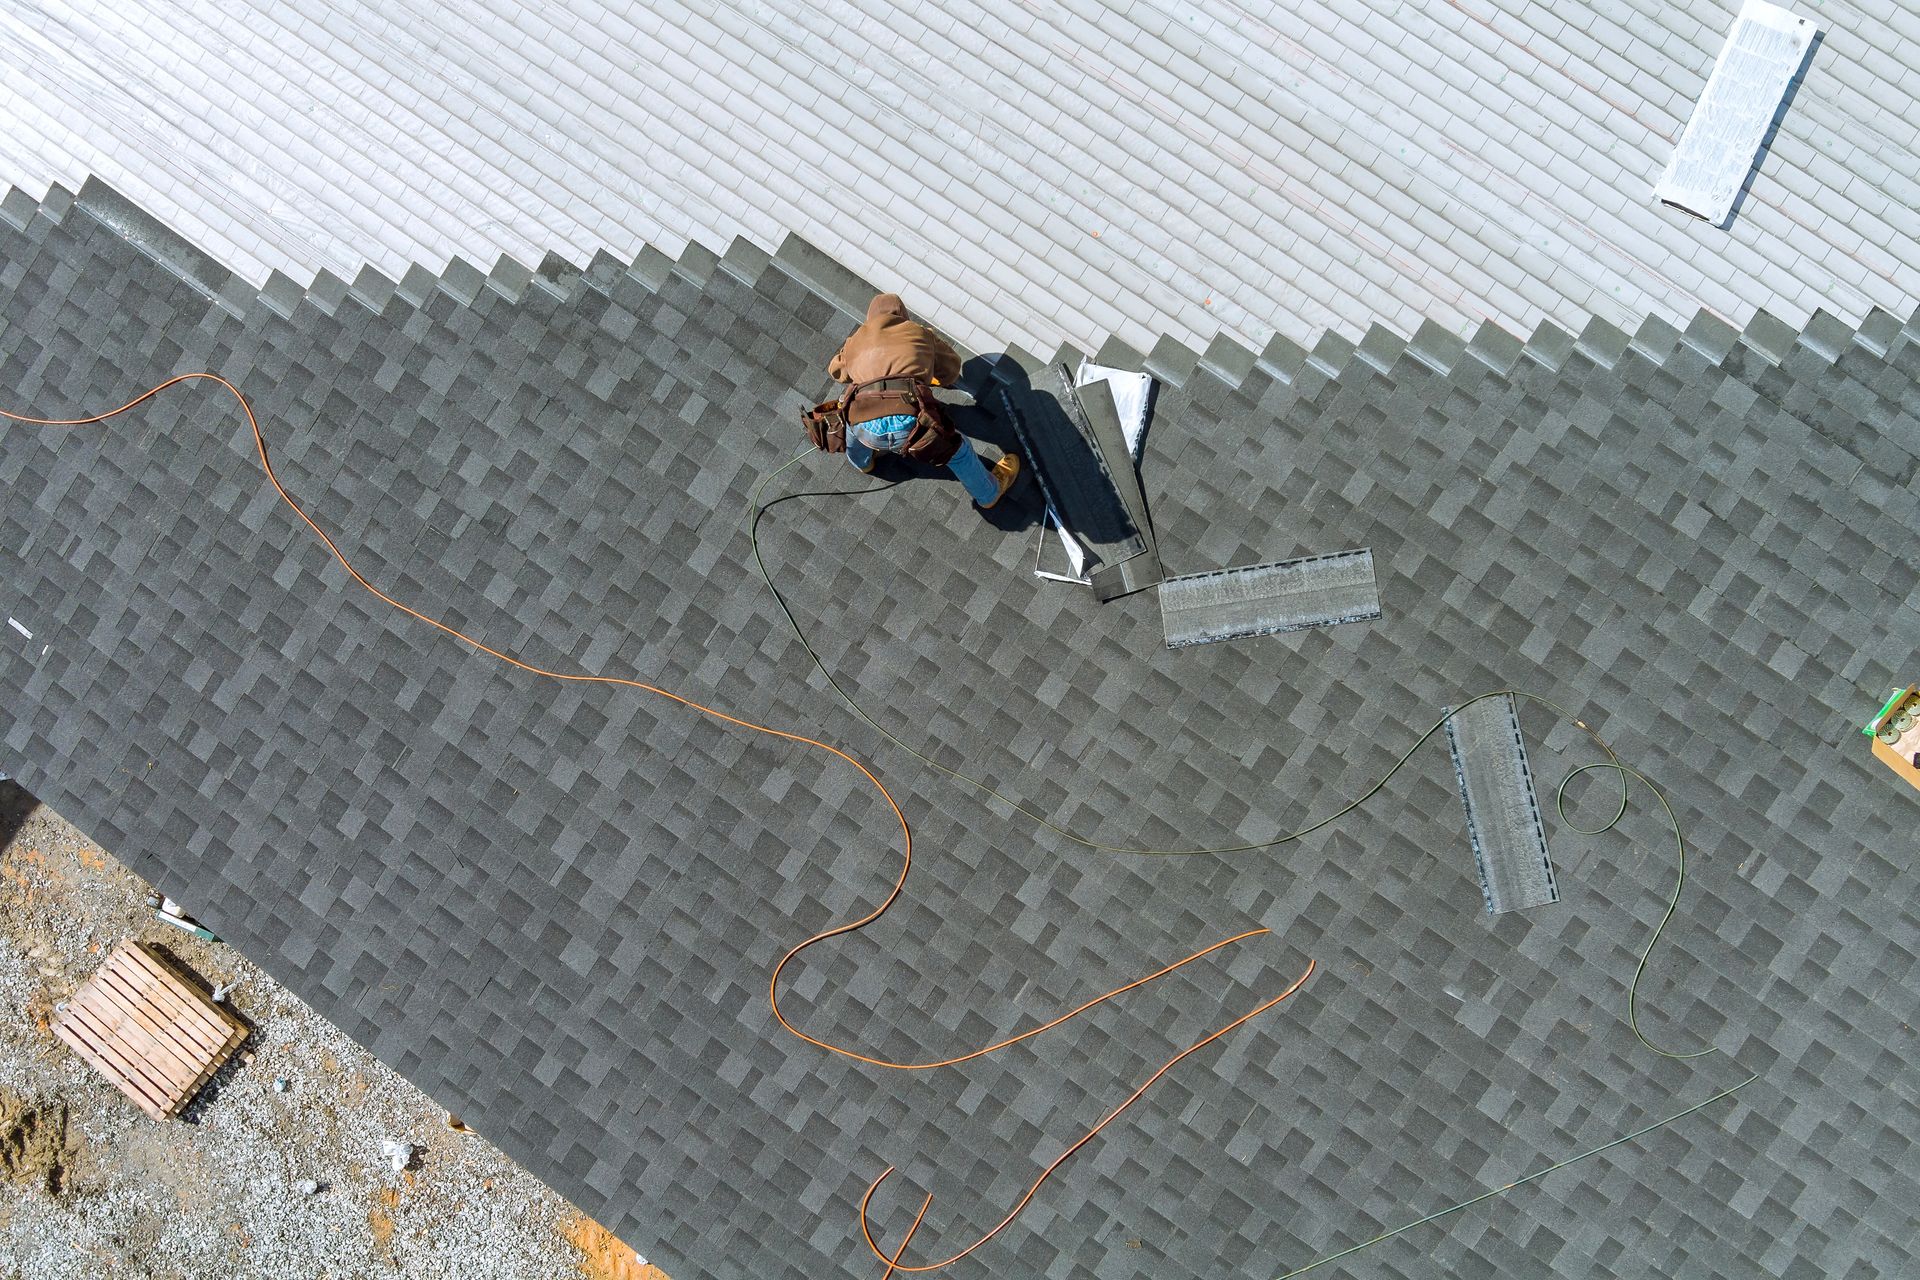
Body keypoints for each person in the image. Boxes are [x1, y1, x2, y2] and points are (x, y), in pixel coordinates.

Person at [827, 294, 1021, 508]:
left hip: (864, 424)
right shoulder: (920, 333)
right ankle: (989, 493)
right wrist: (926, 372)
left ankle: (862, 462)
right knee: (958, 450)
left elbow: (836, 372)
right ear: (903, 315)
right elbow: (951, 371)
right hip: (908, 424)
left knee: (850, 415)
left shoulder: (854, 343)